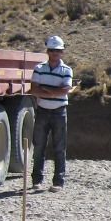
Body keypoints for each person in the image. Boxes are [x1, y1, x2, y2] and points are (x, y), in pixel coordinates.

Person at [31, 35, 73, 188]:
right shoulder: (39, 68)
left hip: (59, 113)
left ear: (62, 52)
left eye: (58, 50)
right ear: (48, 51)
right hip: (42, 111)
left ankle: (58, 181)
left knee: (59, 148)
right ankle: (37, 180)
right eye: (53, 50)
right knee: (39, 147)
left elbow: (64, 90)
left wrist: (45, 90)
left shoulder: (67, 70)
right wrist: (54, 91)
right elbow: (33, 90)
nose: (55, 53)